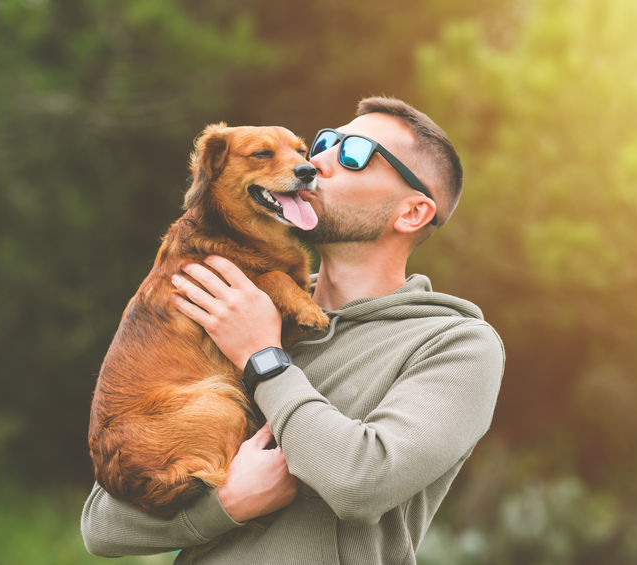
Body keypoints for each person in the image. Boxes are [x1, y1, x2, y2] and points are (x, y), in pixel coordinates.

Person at [81, 96, 505, 564]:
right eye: (325, 143)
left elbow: (361, 483)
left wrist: (263, 356)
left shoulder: (455, 345)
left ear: (411, 213)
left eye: (354, 154)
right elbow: (102, 528)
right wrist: (226, 506)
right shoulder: (228, 304)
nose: (313, 163)